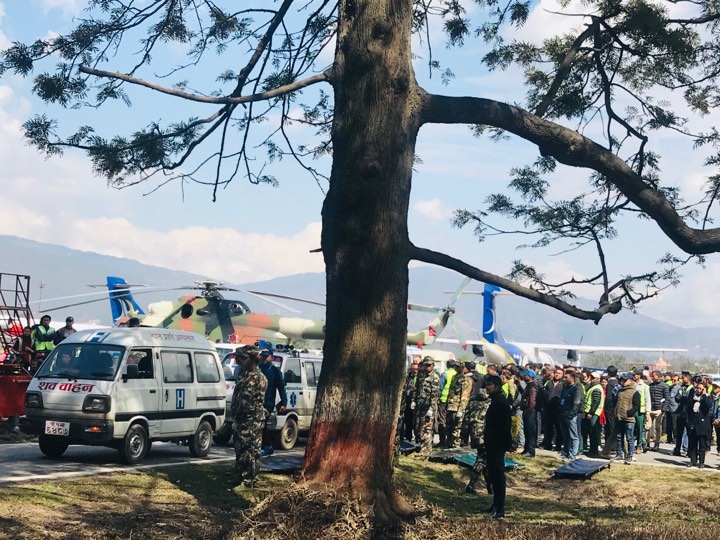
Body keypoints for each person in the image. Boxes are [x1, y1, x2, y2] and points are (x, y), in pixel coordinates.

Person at [230, 346, 268, 487]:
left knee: (250, 450)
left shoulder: (257, 377)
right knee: (240, 448)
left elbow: (247, 401)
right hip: (242, 419)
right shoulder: (244, 374)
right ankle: (240, 475)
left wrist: (238, 417)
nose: (239, 361)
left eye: (243, 358)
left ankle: (249, 479)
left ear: (252, 359)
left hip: (251, 420)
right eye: (238, 358)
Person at [483, 374, 512, 519]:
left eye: (490, 385)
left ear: (497, 386)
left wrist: (506, 444)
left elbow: (505, 426)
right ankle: (495, 504)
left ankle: (499, 508)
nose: (487, 388)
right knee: (493, 475)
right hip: (492, 443)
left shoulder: (501, 402)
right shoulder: (496, 400)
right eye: (487, 385)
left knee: (498, 476)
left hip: (497, 444)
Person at [258, 349, 287, 457]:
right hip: (257, 401)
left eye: (266, 356)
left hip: (268, 402)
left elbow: (281, 387)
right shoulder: (257, 369)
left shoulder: (275, 371)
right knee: (257, 424)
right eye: (262, 356)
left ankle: (268, 446)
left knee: (262, 423)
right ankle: (261, 446)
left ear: (271, 357)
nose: (263, 358)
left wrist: (284, 402)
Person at [414, 356, 441, 454]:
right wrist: (414, 401)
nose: (427, 367)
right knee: (419, 427)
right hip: (420, 405)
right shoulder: (422, 375)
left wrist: (431, 408)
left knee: (427, 428)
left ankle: (426, 450)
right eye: (425, 365)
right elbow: (417, 389)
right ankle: (421, 446)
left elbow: (435, 394)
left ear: (433, 365)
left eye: (429, 365)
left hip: (429, 407)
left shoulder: (435, 377)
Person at [686, 377, 713, 468]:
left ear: (703, 389)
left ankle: (701, 462)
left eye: (700, 388)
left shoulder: (707, 397)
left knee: (702, 444)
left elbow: (709, 405)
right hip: (693, 422)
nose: (698, 390)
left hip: (702, 424)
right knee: (692, 443)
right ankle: (693, 460)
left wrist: (704, 395)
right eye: (697, 388)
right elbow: (688, 407)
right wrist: (688, 421)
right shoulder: (693, 396)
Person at [615, 373, 640, 464]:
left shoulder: (635, 392)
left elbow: (637, 405)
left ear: (631, 381)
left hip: (629, 419)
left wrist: (630, 412)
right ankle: (619, 454)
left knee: (629, 438)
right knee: (619, 437)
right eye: (622, 380)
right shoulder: (619, 391)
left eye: (625, 380)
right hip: (619, 417)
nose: (623, 382)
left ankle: (630, 455)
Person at [446, 361, 472, 448]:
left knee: (456, 428)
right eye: (455, 366)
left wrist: (461, 410)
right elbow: (451, 392)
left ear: (462, 368)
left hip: (457, 407)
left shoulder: (465, 379)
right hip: (450, 406)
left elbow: (465, 396)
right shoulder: (454, 377)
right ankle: (449, 444)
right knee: (449, 427)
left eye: (458, 367)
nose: (456, 368)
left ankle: (455, 446)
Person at [559, 369, 581, 460]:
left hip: (570, 415)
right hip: (563, 414)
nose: (564, 379)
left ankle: (573, 453)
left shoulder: (575, 389)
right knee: (565, 434)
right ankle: (566, 451)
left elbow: (576, 403)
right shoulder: (565, 388)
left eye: (566, 377)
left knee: (573, 435)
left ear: (572, 378)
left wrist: (571, 414)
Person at [581, 371, 604, 456]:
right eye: (591, 377)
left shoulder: (596, 388)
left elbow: (596, 402)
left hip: (593, 414)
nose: (591, 379)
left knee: (593, 433)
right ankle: (592, 450)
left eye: (593, 377)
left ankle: (593, 451)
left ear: (598, 379)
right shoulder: (593, 387)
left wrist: (591, 413)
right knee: (591, 433)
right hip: (591, 412)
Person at [437, 360, 458, 447]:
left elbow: (440, 387)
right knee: (451, 421)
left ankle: (442, 441)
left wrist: (438, 398)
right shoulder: (457, 374)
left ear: (447, 365)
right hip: (453, 401)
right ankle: (450, 441)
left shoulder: (445, 374)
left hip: (443, 400)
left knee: (441, 420)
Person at [648, 370, 669, 451]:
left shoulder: (664, 386)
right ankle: (647, 444)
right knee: (648, 427)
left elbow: (667, 398)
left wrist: (663, 409)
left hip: (659, 409)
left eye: (653, 376)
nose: (652, 377)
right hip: (651, 409)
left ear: (658, 376)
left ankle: (657, 444)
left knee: (658, 427)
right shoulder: (650, 386)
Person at [673, 371, 693, 456]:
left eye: (683, 378)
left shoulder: (692, 389)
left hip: (689, 414)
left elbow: (690, 400)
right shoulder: (681, 388)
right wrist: (682, 398)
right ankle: (677, 449)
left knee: (689, 433)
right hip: (680, 413)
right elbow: (677, 398)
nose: (682, 379)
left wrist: (683, 398)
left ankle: (689, 451)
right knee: (679, 432)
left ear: (688, 378)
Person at [520, 369, 538, 457]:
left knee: (530, 431)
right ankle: (526, 448)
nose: (524, 377)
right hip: (526, 410)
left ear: (529, 376)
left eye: (525, 375)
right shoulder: (528, 385)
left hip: (530, 412)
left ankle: (531, 450)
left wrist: (529, 411)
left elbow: (532, 400)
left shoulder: (532, 387)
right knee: (526, 431)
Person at [402, 362, 419, 441]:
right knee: (406, 419)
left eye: (416, 369)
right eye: (413, 369)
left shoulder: (419, 378)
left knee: (415, 421)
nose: (415, 371)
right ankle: (407, 436)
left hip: (416, 402)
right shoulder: (407, 378)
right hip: (407, 401)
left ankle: (416, 437)